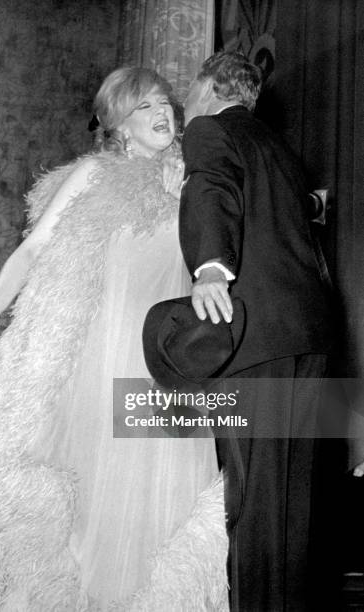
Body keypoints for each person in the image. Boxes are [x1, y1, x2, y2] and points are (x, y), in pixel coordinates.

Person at [0, 67, 229, 611]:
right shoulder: (96, 173)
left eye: (164, 102)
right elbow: (33, 249)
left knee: (159, 507)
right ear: (119, 123)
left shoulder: (193, 180)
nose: (162, 112)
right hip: (96, 358)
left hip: (165, 364)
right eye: (144, 106)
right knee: (81, 500)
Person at [179, 51, 332, 611]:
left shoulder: (208, 128)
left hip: (254, 337)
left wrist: (211, 267)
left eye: (190, 93)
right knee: (292, 500)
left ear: (210, 88)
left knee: (254, 501)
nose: (185, 107)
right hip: (309, 332)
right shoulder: (280, 149)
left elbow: (210, 188)